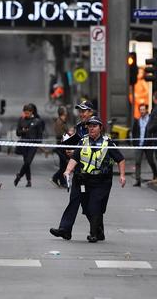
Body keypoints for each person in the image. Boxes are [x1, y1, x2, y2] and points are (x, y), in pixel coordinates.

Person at [60, 116, 126, 243]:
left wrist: (122, 175)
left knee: (94, 205)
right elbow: (75, 157)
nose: (91, 128)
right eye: (89, 126)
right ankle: (99, 231)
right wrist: (68, 170)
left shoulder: (108, 143)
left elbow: (120, 159)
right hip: (85, 179)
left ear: (100, 128)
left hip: (102, 181)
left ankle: (93, 234)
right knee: (86, 206)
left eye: (94, 126)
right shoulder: (83, 141)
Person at [48, 101, 96, 241]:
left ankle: (97, 230)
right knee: (74, 199)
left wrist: (75, 152)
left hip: (93, 173)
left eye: (84, 111)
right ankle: (65, 230)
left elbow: (95, 147)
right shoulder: (80, 127)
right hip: (80, 170)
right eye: (80, 111)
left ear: (91, 112)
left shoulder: (95, 126)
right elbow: (73, 143)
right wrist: (65, 149)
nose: (81, 114)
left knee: (89, 206)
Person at [15, 104, 44, 187]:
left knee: (28, 161)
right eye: (25, 113)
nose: (26, 114)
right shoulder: (21, 120)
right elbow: (18, 132)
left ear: (32, 112)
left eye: (28, 113)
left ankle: (19, 175)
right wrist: (23, 131)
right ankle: (29, 181)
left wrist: (39, 144)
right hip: (24, 143)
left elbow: (40, 134)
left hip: (33, 144)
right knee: (26, 163)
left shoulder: (37, 121)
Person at [131, 103, 157, 187]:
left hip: (148, 144)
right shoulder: (137, 121)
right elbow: (134, 132)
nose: (142, 111)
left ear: (146, 110)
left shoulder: (150, 120)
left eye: (143, 109)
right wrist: (134, 143)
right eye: (140, 110)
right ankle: (137, 180)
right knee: (137, 162)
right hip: (139, 144)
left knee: (151, 161)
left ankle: (156, 175)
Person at [51, 106, 70, 188]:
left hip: (64, 145)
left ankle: (62, 182)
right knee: (64, 163)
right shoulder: (59, 122)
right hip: (61, 146)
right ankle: (55, 178)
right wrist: (67, 134)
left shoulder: (62, 121)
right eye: (65, 111)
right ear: (63, 112)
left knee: (63, 164)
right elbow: (59, 134)